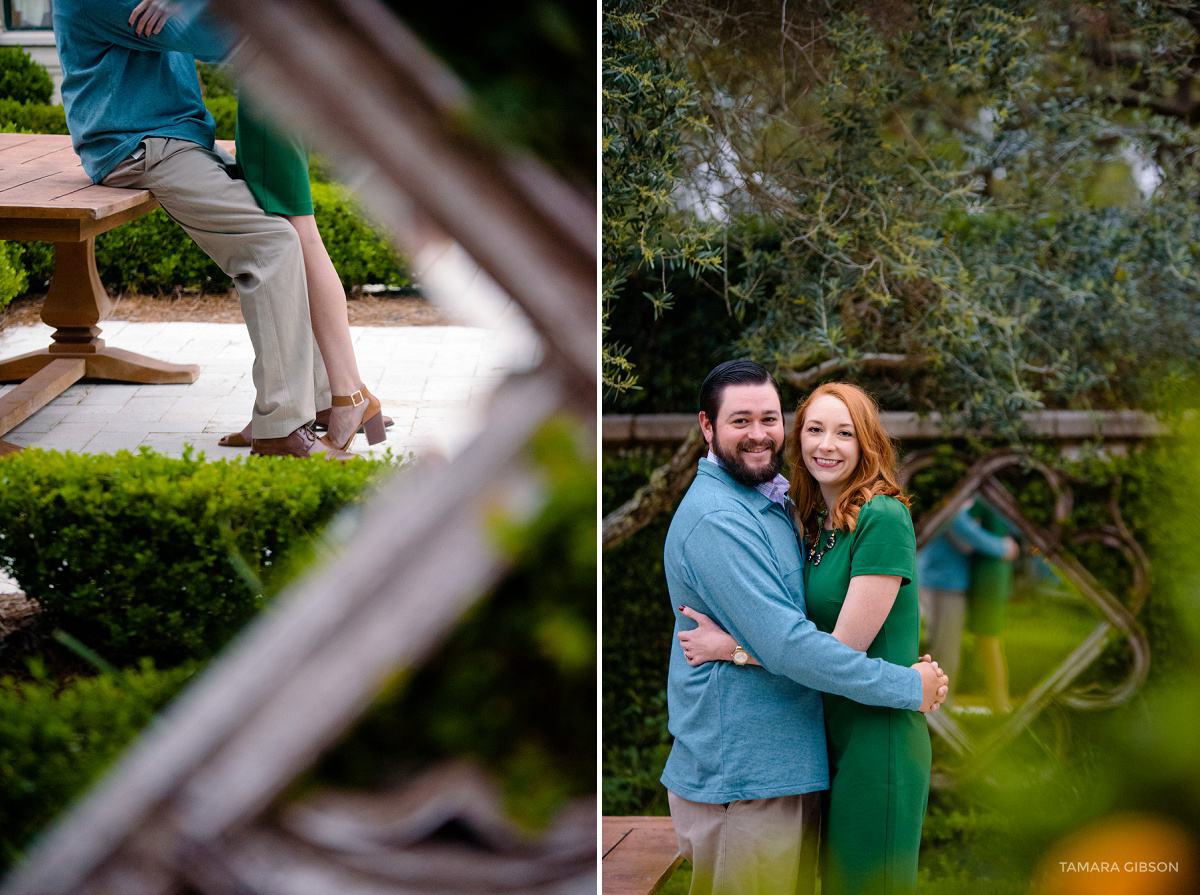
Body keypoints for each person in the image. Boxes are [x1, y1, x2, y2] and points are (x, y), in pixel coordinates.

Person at [662, 361, 948, 895]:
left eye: (769, 418)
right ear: (707, 426)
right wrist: (909, 686)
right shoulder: (749, 517)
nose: (758, 433)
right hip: (759, 767)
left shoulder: (843, 515)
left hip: (865, 739)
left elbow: (811, 644)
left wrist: (735, 647)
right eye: (815, 429)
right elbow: (793, 643)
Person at [126, 0, 388, 452]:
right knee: (295, 239)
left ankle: (348, 396)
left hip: (275, 84)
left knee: (297, 238)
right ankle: (331, 398)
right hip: (270, 83)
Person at [917, 497, 1019, 704]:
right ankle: (938, 706)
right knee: (943, 650)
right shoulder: (950, 501)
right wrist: (1003, 547)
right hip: (943, 582)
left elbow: (965, 538)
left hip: (947, 582)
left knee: (946, 648)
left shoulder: (960, 500)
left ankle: (941, 703)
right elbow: (962, 529)